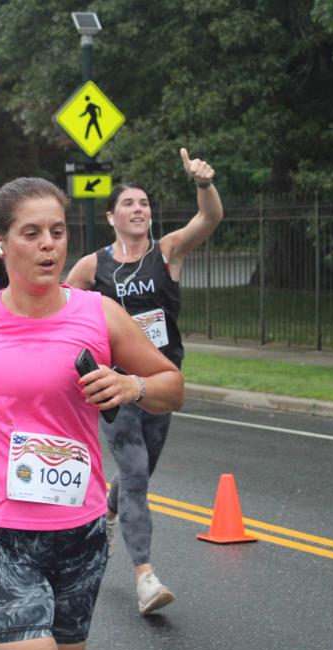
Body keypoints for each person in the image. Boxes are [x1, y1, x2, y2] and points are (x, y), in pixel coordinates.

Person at [0, 177, 184, 650]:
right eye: (32, 233)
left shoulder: (100, 314)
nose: (49, 244)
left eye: (58, 231)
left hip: (79, 531)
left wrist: (132, 386)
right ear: (0, 243)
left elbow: (172, 385)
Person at [66, 147, 222, 614]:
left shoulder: (167, 251)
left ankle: (108, 515)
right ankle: (145, 578)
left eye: (145, 203)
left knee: (139, 471)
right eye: (129, 204)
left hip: (159, 382)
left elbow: (209, 218)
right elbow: (64, 308)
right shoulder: (93, 267)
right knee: (133, 472)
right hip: (114, 386)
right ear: (111, 217)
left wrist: (203, 183)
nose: (139, 209)